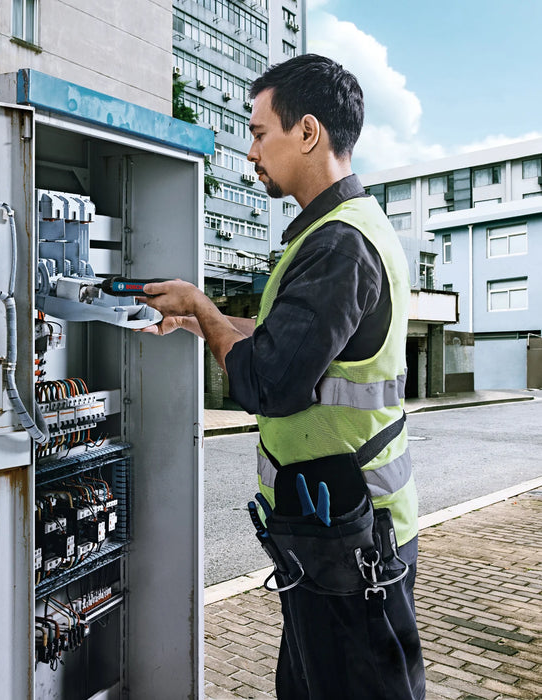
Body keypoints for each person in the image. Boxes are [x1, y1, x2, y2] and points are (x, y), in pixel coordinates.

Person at [139, 53, 425, 700]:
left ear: (308, 133)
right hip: (334, 538)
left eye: (259, 132)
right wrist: (196, 322)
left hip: (356, 546)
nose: (250, 151)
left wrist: (205, 308)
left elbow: (268, 380)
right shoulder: (337, 231)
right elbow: (294, 346)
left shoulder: (336, 245)